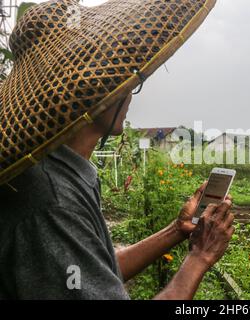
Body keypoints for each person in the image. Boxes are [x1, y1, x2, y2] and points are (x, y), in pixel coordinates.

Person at [0, 0, 227, 299]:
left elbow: (92, 273)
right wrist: (199, 259)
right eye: (119, 81)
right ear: (90, 93)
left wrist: (177, 229)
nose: (128, 91)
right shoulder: (53, 202)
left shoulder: (61, 169)